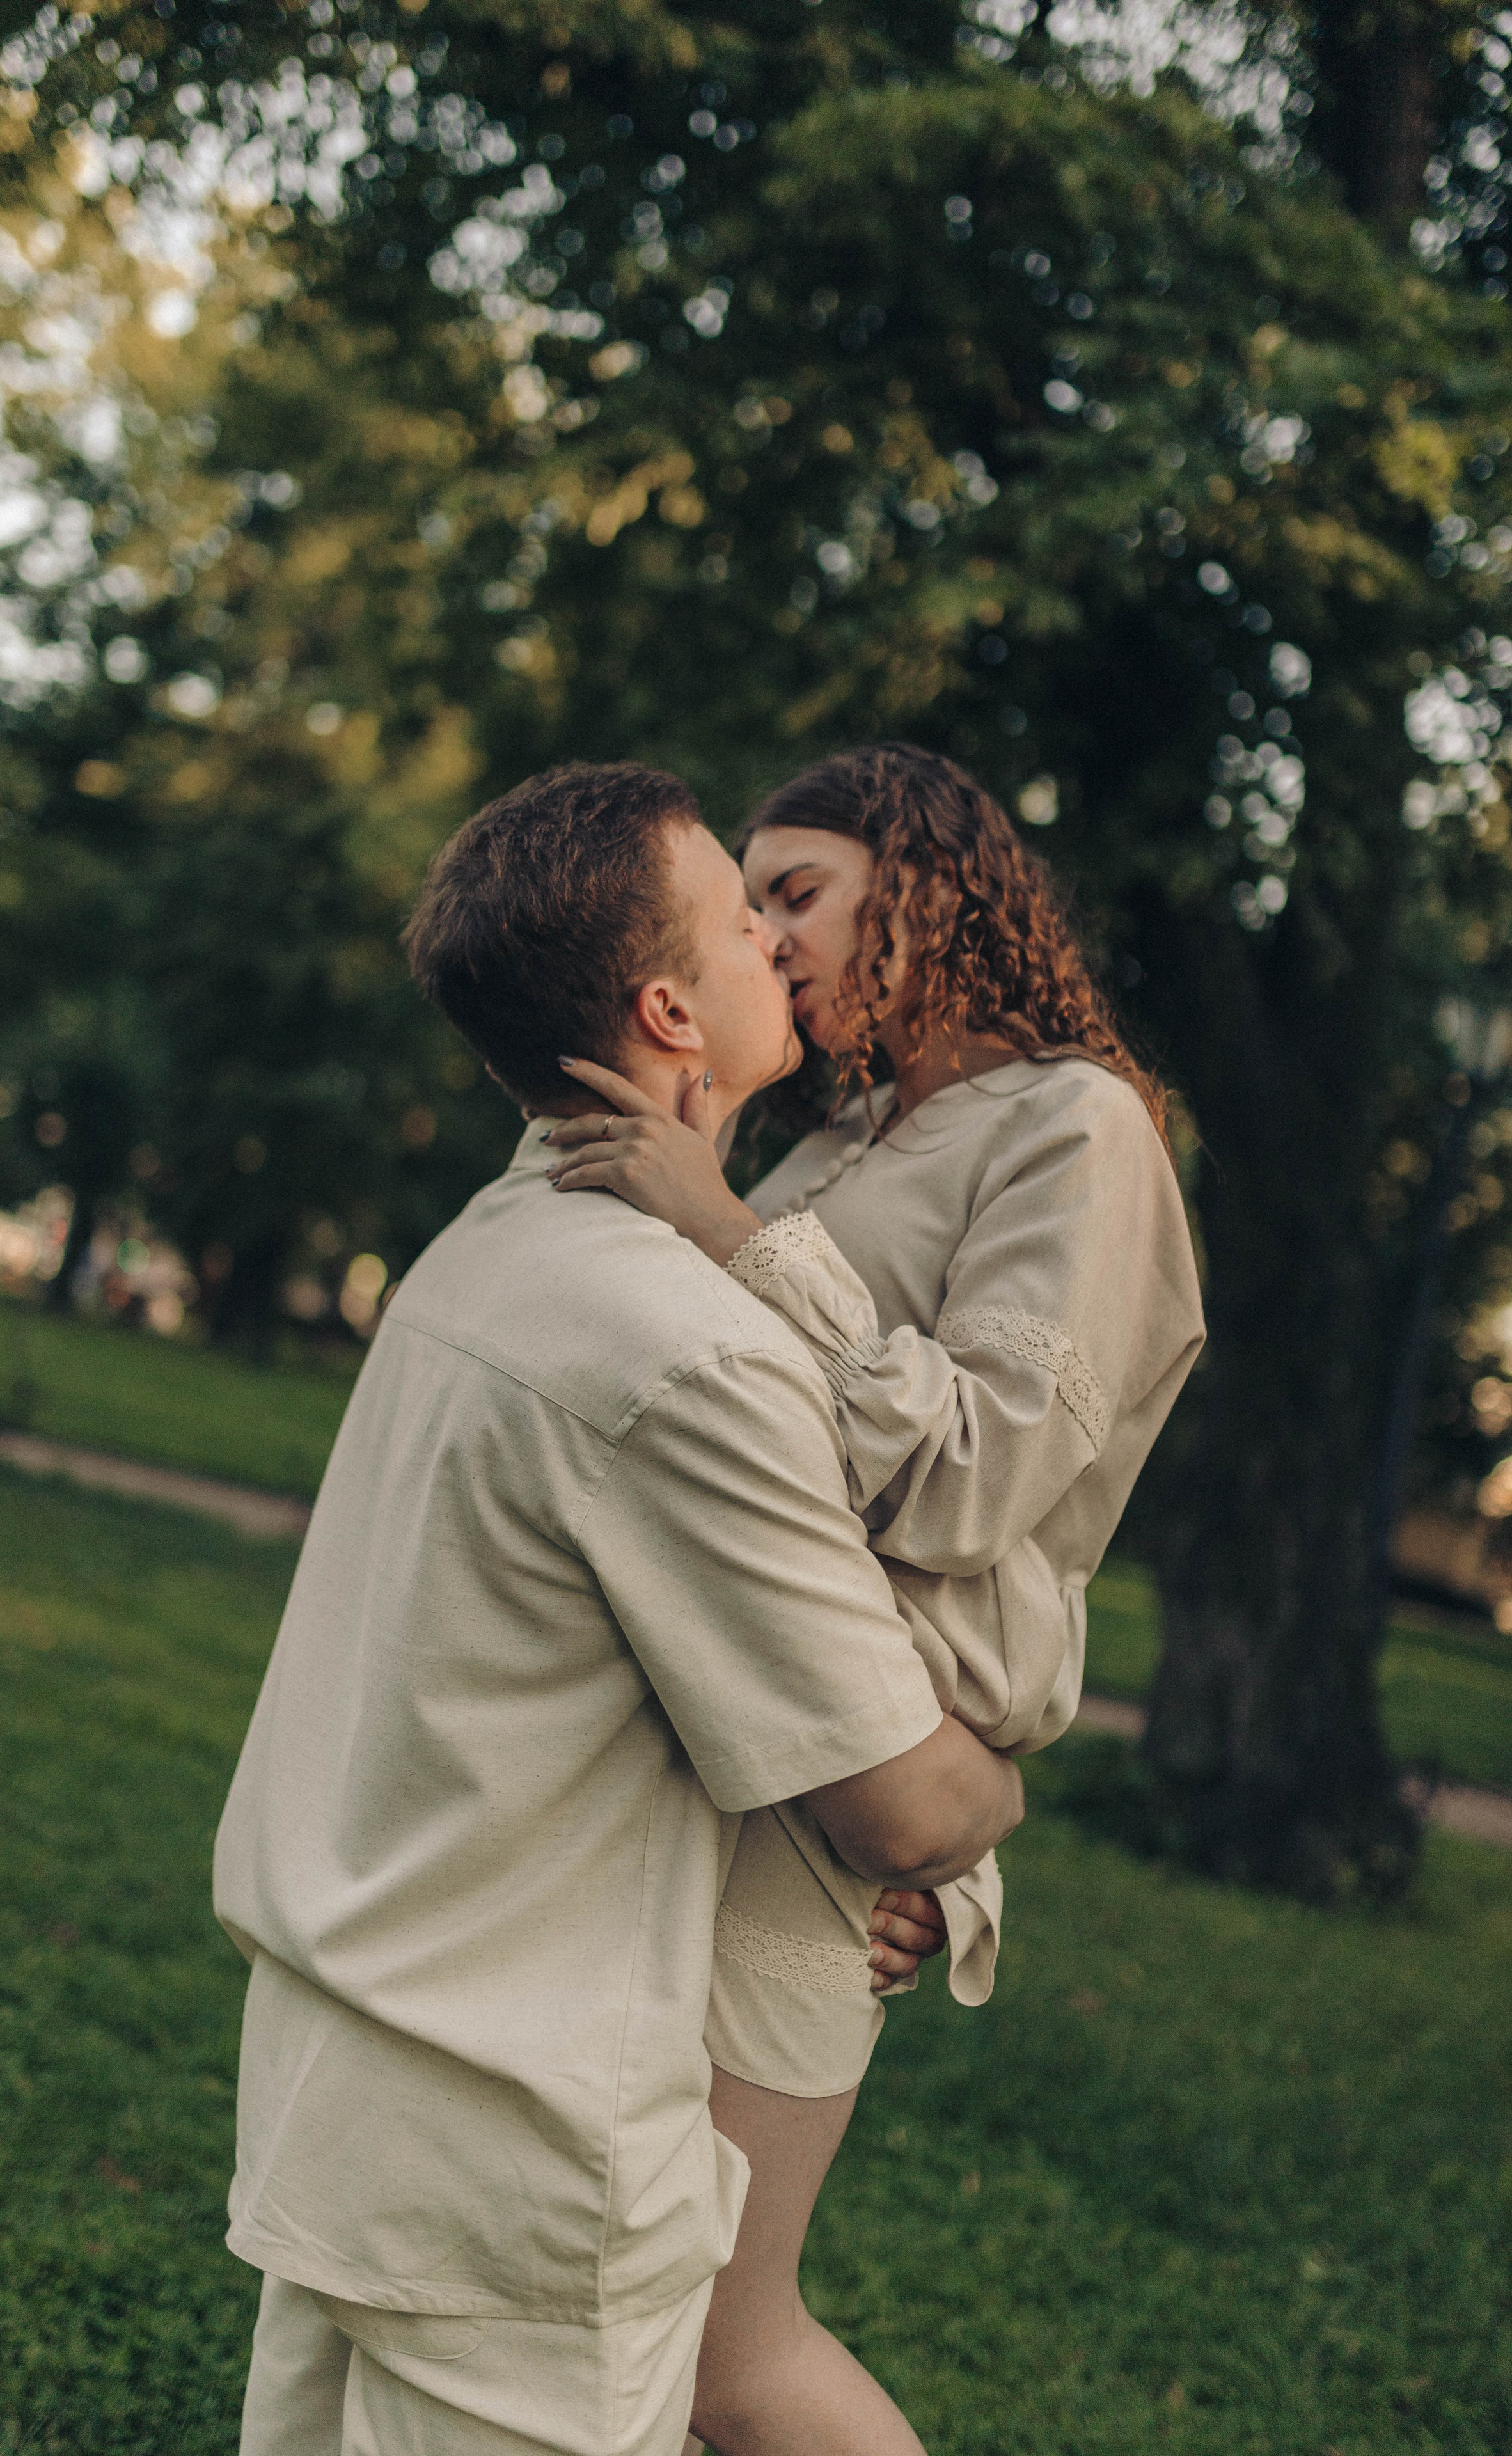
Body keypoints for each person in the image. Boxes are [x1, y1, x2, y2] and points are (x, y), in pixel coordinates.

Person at [213, 760, 1026, 2456]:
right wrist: (999, 1786)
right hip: (516, 2172)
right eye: (746, 916)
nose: (780, 948)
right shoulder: (689, 1348)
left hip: (338, 2090)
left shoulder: (480, 1254)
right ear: (673, 1007)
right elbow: (904, 1803)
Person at [542, 742, 1205, 2453]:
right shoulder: (843, 1136)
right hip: (730, 1717)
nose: (765, 935)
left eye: (798, 893)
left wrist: (735, 1237)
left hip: (856, 1753)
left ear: (931, 886)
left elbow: (987, 1466)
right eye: (748, 899)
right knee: (615, 2285)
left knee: (720, 2342)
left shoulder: (1082, 1127)